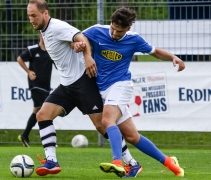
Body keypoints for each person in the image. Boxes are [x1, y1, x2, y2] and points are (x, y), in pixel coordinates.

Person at [27, 0, 142, 177]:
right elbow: (74, 43)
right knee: (42, 115)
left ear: (45, 14)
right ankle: (51, 161)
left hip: (83, 82)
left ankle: (131, 163)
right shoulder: (45, 31)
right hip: (67, 85)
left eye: (34, 16)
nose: (31, 20)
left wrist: (87, 57)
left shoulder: (57, 26)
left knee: (101, 125)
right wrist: (75, 46)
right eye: (29, 16)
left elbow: (81, 37)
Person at [74, 7, 185, 178]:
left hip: (121, 85)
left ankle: (118, 162)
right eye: (112, 28)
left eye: (118, 31)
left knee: (106, 120)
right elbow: (74, 37)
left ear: (128, 29)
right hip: (102, 89)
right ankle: (169, 162)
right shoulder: (97, 31)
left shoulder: (134, 40)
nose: (114, 33)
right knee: (132, 136)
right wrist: (77, 44)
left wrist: (173, 57)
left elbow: (155, 52)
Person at [17, 33, 53, 147]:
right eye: (43, 35)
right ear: (40, 36)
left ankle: (25, 135)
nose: (45, 37)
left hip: (46, 86)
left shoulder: (51, 51)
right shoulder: (33, 49)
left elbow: (58, 65)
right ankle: (49, 139)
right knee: (48, 109)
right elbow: (20, 59)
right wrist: (29, 71)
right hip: (35, 85)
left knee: (37, 111)